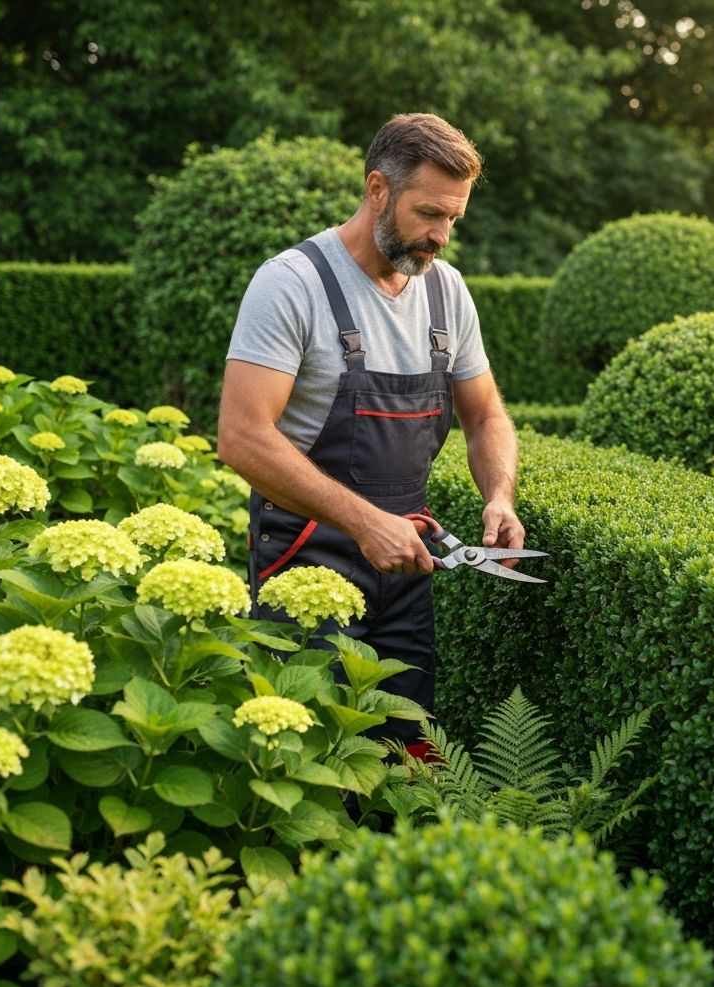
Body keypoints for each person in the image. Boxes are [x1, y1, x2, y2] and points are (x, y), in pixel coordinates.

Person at [217, 112, 524, 749]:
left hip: (406, 569)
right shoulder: (292, 284)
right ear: (377, 189)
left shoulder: (447, 293)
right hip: (307, 566)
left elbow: (486, 416)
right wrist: (363, 522)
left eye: (454, 219)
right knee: (307, 754)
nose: (441, 236)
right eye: (429, 214)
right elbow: (242, 436)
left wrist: (499, 495)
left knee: (407, 753)